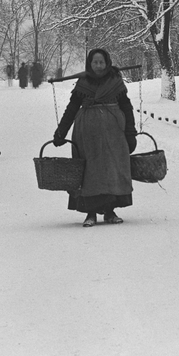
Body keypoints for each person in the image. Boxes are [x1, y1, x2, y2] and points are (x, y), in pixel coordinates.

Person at [52, 48, 137, 227]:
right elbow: (72, 108)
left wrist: (130, 133)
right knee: (89, 172)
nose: (98, 66)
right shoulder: (83, 83)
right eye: (95, 62)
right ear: (89, 64)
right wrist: (61, 132)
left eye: (101, 62)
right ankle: (90, 213)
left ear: (107, 63)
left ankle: (110, 211)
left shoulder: (115, 82)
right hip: (86, 135)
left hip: (113, 134)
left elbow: (127, 107)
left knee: (112, 169)